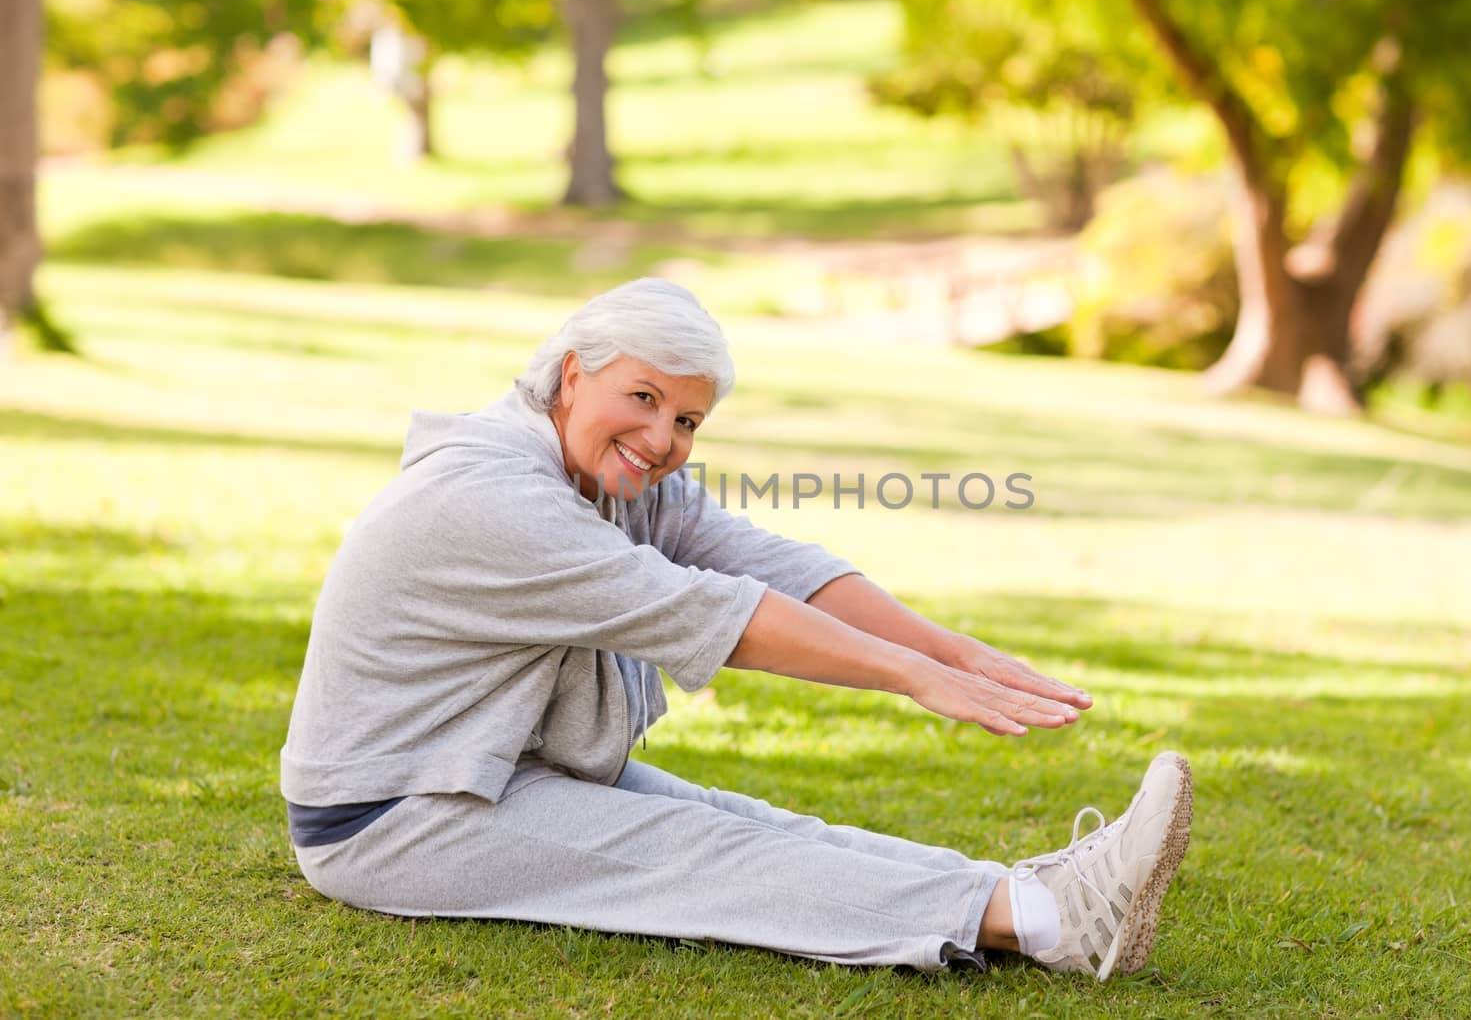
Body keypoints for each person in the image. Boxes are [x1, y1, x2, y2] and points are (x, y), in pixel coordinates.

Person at [280, 277, 1192, 978]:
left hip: (490, 764)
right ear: (570, 373)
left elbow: (766, 563)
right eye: (642, 399)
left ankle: (1029, 895)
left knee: (742, 818)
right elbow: (715, 614)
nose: (663, 437)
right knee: (708, 852)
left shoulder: (610, 474)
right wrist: (913, 677)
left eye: (685, 418)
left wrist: (947, 647)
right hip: (394, 814)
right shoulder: (493, 497)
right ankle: (1051, 918)